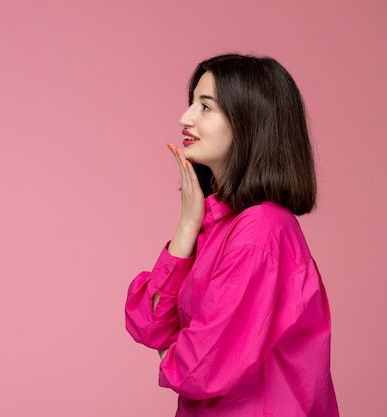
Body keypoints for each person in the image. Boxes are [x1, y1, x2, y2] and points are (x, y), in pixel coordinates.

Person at [124, 54, 339, 417]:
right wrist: (186, 227)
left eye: (205, 107)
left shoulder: (262, 232)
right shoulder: (219, 224)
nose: (185, 118)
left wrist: (170, 355)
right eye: (192, 102)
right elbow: (146, 321)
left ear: (249, 123)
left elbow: (196, 369)